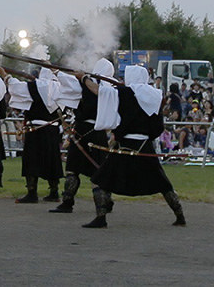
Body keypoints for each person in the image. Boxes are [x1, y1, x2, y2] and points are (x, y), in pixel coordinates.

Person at [78, 65, 185, 228]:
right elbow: (157, 126)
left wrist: (84, 78)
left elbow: (99, 91)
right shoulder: (155, 95)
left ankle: (101, 218)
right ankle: (180, 215)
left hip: (126, 144)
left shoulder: (124, 93)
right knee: (163, 183)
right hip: (145, 144)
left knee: (101, 180)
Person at [50, 58, 115, 214]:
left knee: (75, 169)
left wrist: (56, 71)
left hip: (84, 130)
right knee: (85, 169)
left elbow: (69, 82)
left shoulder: (89, 83)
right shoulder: (111, 88)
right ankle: (104, 202)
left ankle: (69, 203)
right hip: (96, 132)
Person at [3, 68, 63, 202]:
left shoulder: (35, 86)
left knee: (31, 161)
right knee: (52, 161)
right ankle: (54, 192)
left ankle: (32, 193)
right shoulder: (61, 87)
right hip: (52, 130)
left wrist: (5, 76)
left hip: (36, 129)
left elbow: (16, 87)